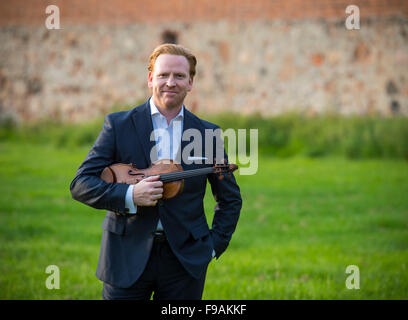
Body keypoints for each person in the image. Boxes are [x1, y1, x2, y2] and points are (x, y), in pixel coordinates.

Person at [70, 44, 242, 300]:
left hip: (184, 261)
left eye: (179, 76)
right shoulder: (118, 125)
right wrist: (130, 195)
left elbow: (230, 199)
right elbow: (81, 183)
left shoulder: (208, 134)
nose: (170, 83)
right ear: (151, 79)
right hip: (125, 255)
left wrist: (213, 247)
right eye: (163, 75)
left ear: (191, 82)